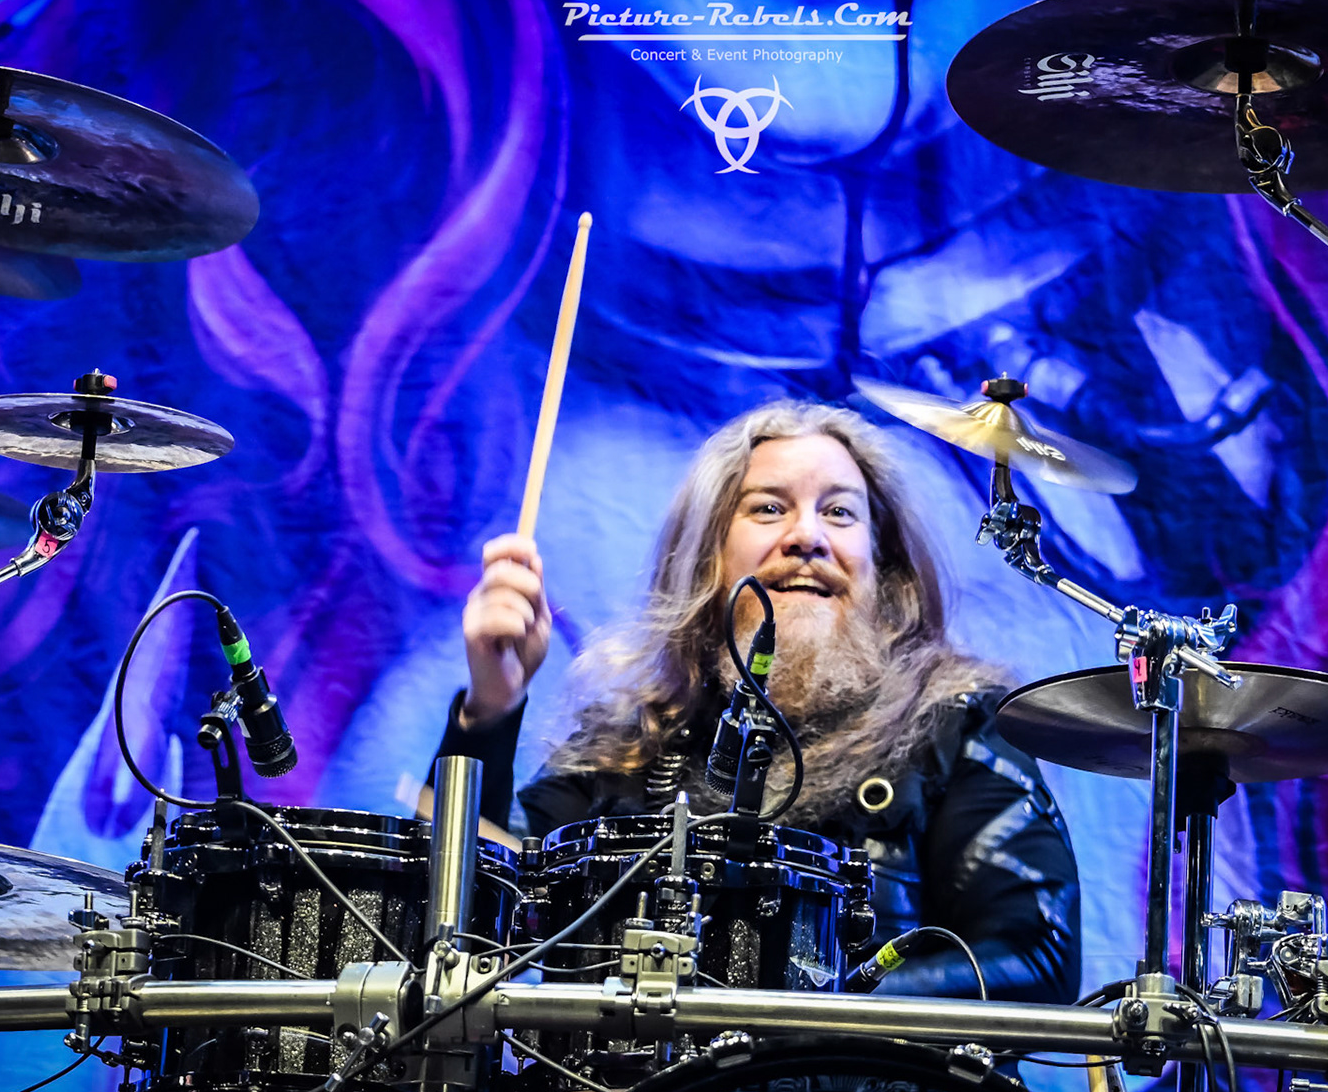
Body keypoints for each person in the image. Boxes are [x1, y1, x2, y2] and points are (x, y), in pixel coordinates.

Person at [430, 401, 1081, 1002]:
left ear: (881, 563)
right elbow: (466, 927)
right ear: (707, 554)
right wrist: (490, 709)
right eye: (769, 509)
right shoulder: (631, 747)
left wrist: (810, 1018)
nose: (808, 536)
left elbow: (1035, 957)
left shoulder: (954, 720)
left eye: (840, 513)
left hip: (874, 1090)